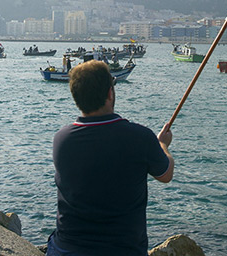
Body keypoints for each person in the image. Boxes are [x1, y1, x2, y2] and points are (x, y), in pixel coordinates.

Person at [47, 60, 174, 256]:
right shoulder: (140, 137)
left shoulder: (61, 140)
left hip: (67, 249)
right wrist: (162, 145)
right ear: (110, 93)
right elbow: (165, 174)